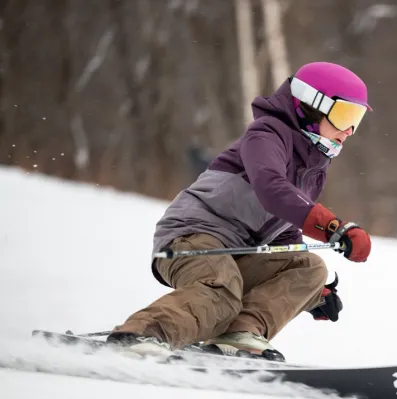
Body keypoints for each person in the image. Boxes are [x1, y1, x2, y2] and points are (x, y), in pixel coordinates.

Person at [106, 61, 373, 361]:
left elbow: (283, 231)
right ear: (310, 107)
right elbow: (271, 189)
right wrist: (332, 227)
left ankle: (239, 335)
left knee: (309, 267)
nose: (349, 130)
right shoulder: (267, 134)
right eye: (344, 116)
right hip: (193, 235)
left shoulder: (314, 167)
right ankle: (142, 334)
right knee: (221, 291)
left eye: (357, 119)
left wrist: (313, 292)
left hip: (236, 252)